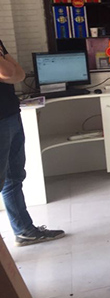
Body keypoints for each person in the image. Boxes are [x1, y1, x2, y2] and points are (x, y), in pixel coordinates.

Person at [0, 39, 65, 246]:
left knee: (14, 177)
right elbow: (9, 72)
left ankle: (24, 231)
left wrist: (12, 73)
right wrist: (11, 72)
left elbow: (19, 75)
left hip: (10, 113)